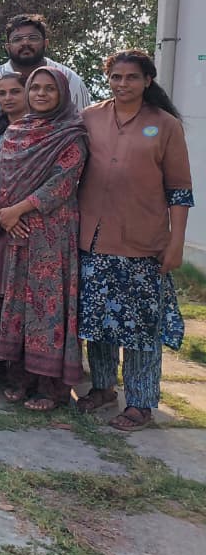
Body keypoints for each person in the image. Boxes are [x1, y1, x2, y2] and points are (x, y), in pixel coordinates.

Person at [75, 51, 193, 432]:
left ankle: (141, 402)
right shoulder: (90, 117)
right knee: (97, 323)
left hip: (144, 244)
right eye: (116, 77)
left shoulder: (165, 125)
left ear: (147, 80)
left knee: (141, 328)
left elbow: (179, 190)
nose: (122, 84)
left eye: (131, 77)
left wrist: (176, 243)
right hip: (93, 239)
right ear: (107, 78)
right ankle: (104, 387)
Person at [0, 66, 88, 411]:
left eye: (48, 89)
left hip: (50, 232)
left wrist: (20, 210)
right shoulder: (15, 131)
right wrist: (2, 216)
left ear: (62, 95)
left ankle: (50, 387)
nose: (40, 94)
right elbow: (0, 180)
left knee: (46, 304)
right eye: (35, 88)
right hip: (13, 230)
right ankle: (19, 376)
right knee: (16, 301)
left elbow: (63, 182)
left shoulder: (71, 133)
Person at [0, 14, 90, 129]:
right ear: (7, 47)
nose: (25, 43)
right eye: (17, 39)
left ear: (45, 43)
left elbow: (86, 126)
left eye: (33, 38)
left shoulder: (70, 79)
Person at [0, 72, 28, 152]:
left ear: (28, 92)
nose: (7, 98)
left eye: (15, 92)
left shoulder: (43, 128)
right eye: (1, 93)